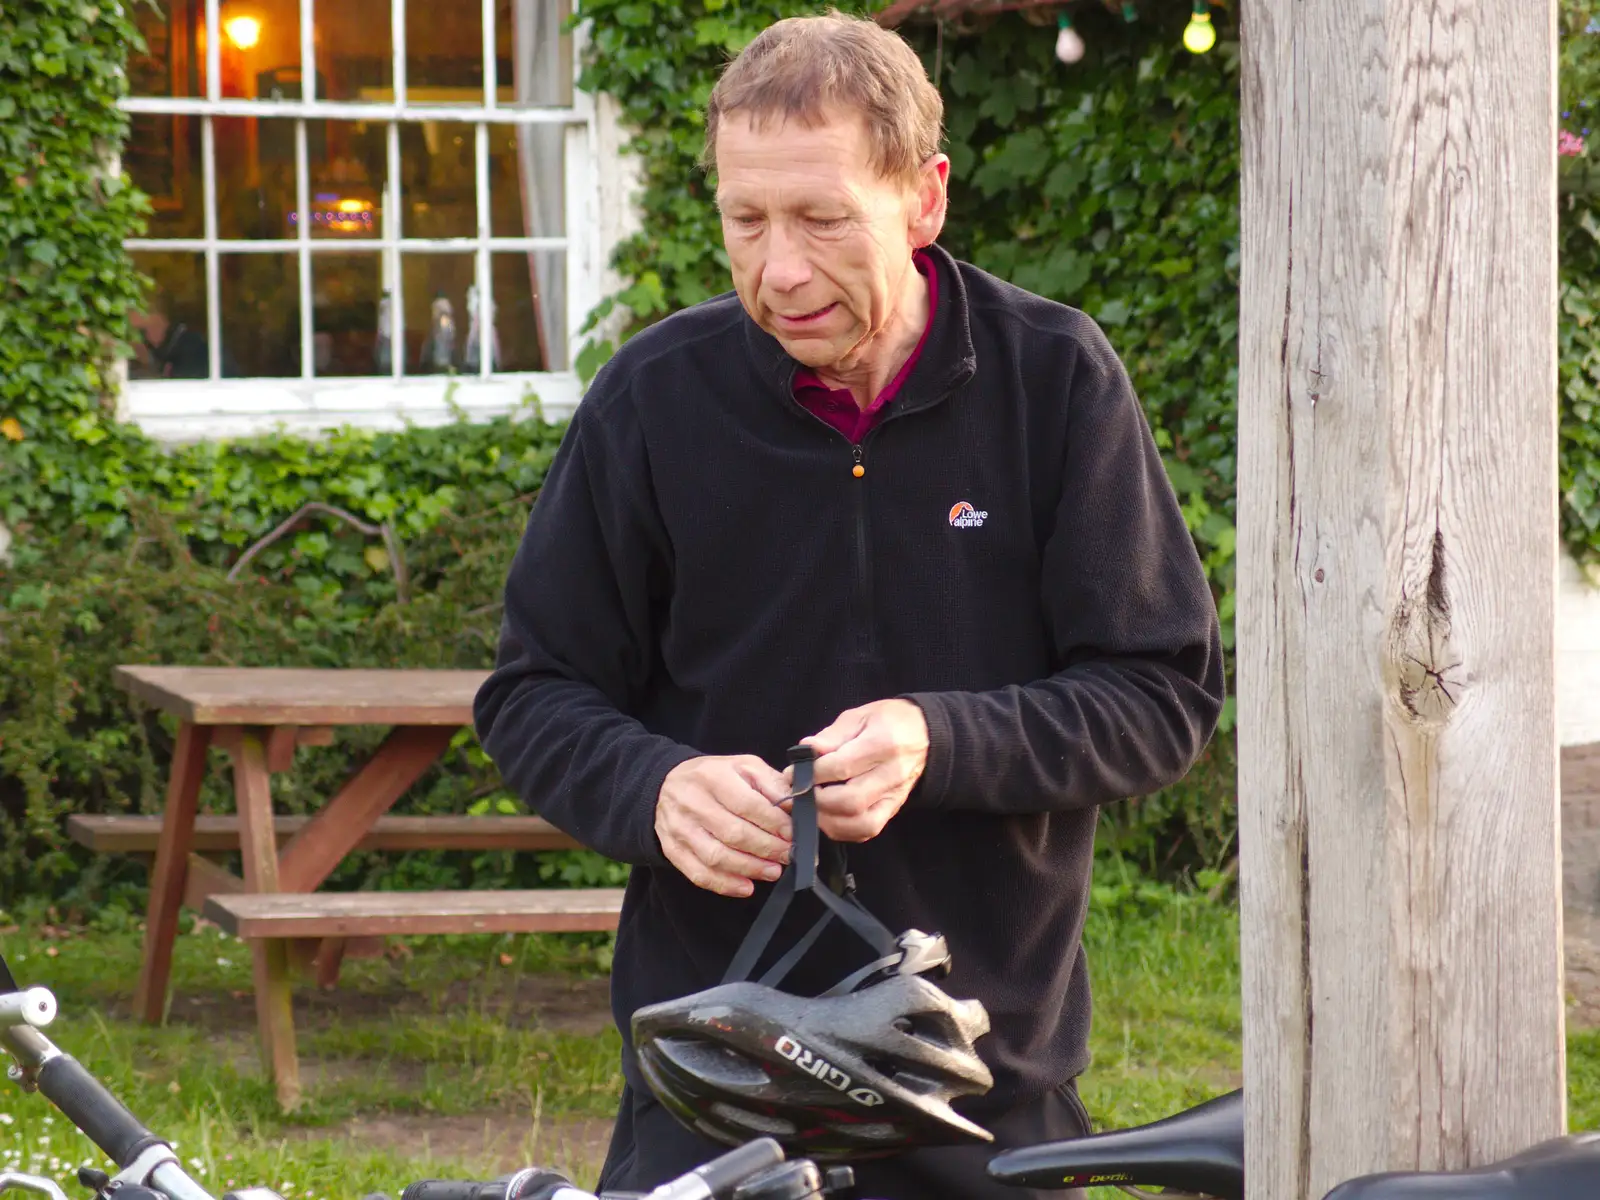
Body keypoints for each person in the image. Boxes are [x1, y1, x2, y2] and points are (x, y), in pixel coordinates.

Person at [474, 12, 1225, 1200]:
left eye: (822, 219)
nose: (778, 268)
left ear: (922, 200)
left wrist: (943, 738)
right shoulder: (654, 399)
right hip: (712, 1077)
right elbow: (534, 692)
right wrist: (652, 787)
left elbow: (1161, 692)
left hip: (981, 1071)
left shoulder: (1054, 379)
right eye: (744, 220)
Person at [128, 297, 210, 379]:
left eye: (141, 332)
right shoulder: (165, 346)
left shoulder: (191, 346)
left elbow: (183, 388)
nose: (138, 340)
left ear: (158, 318)